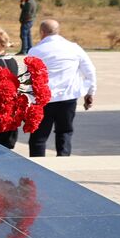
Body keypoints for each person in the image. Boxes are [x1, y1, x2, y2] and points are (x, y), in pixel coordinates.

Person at [26, 19, 96, 157]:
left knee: (38, 137)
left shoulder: (35, 51)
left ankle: (36, 166)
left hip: (43, 99)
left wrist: (29, 99)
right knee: (64, 133)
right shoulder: (74, 48)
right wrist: (90, 93)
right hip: (68, 98)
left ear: (42, 32)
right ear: (58, 31)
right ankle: (63, 164)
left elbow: (29, 76)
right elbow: (90, 71)